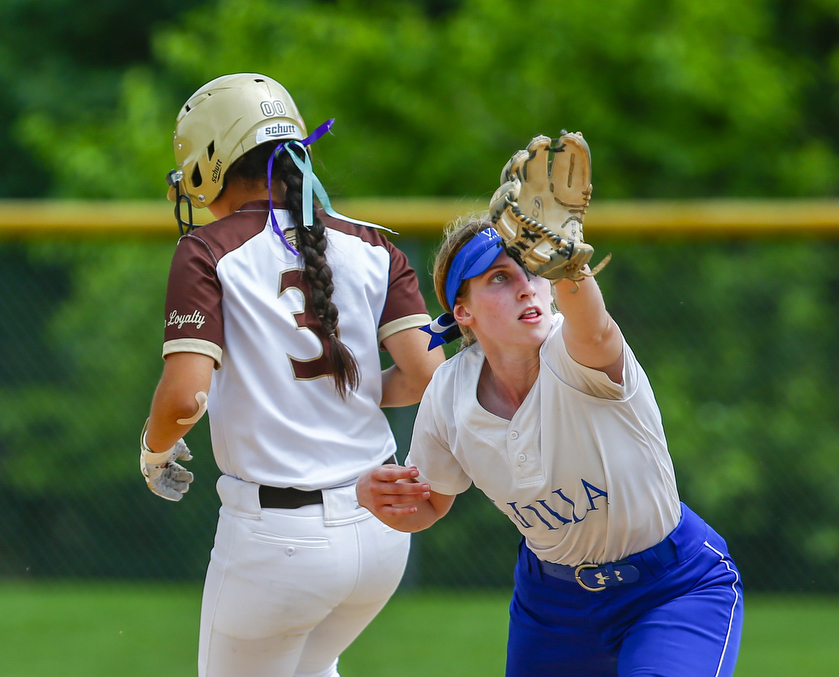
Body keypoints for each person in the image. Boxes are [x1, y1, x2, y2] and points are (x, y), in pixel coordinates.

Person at [356, 137, 743, 676]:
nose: (526, 288)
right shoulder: (448, 394)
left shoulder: (575, 349)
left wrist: (570, 269)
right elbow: (429, 506)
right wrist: (378, 498)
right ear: (461, 312)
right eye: (499, 278)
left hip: (672, 586)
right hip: (554, 605)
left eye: (533, 270)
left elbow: (596, 327)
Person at [139, 73, 444, 677]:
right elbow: (430, 378)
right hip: (382, 531)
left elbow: (185, 398)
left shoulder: (208, 250)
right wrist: (349, 392)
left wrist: (154, 450)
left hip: (277, 540)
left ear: (209, 161)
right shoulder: (373, 245)